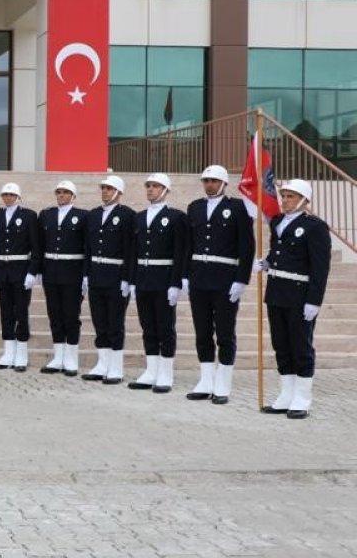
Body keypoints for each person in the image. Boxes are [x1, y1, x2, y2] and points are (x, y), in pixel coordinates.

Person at [259, 179, 330, 419]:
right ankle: (286, 395)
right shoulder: (277, 221)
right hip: (277, 290)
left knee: (301, 346)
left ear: (304, 200)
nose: (285, 200)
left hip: (300, 294)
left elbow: (320, 268)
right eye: (284, 195)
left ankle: (302, 398)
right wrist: (267, 262)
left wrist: (315, 300)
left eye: (290, 196)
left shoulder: (315, 227)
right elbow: (278, 250)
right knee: (281, 345)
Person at [183, 165, 254, 404]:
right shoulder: (194, 208)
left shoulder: (237, 208)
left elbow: (247, 246)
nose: (209, 184)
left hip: (225, 279)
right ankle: (206, 380)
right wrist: (185, 276)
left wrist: (241, 279)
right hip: (199, 278)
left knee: (224, 332)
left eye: (214, 181)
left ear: (224, 183)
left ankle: (223, 383)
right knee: (202, 332)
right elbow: (188, 245)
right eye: (206, 181)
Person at [127, 173, 188, 393]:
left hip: (164, 278)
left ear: (166, 190)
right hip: (143, 278)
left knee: (165, 327)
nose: (150, 189)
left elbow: (180, 252)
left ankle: (166, 373)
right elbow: (134, 251)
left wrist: (176, 282)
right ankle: (151, 370)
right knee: (148, 327)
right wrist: (132, 280)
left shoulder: (176, 217)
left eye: (155, 186)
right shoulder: (139, 217)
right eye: (149, 186)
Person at [82, 175, 135, 385]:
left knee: (115, 323)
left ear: (119, 192)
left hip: (116, 275)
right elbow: (87, 247)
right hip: (96, 274)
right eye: (103, 188)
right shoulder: (93, 215)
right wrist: (86, 273)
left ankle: (116, 367)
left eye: (109, 188)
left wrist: (127, 278)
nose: (104, 191)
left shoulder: (128, 215)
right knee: (99, 322)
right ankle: (102, 363)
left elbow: (131, 250)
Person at [37, 181, 89, 376]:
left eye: (66, 192)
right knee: (55, 314)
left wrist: (85, 274)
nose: (61, 195)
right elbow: (40, 245)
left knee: (71, 315)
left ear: (73, 196)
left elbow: (87, 247)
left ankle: (71, 357)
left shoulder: (82, 216)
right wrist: (39, 270)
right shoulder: (46, 215)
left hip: (72, 271)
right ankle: (58, 356)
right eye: (58, 192)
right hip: (51, 271)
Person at [0, 183, 40, 372]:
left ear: (18, 196)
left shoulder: (29, 216)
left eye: (11, 194)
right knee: (6, 311)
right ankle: (8, 352)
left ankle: (22, 354)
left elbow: (35, 247)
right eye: (5, 195)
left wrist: (32, 272)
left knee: (21, 312)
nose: (8, 198)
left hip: (21, 270)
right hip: (2, 269)